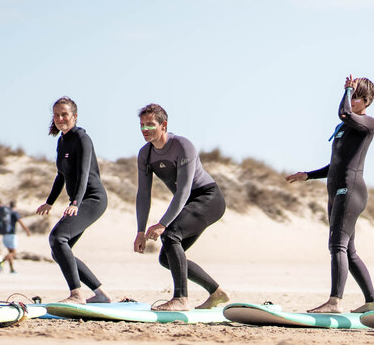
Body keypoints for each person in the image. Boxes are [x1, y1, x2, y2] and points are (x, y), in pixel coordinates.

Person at [286, 76, 374, 314]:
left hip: (350, 191)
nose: (351, 100)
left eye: (355, 96)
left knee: (336, 245)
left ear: (365, 100)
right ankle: (371, 303)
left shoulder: (367, 123)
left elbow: (345, 114)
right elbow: (336, 165)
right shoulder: (344, 129)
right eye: (351, 95)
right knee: (349, 251)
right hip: (336, 190)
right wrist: (307, 175)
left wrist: (346, 90)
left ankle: (334, 302)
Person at [133, 104, 230, 311]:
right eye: (142, 125)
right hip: (189, 203)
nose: (145, 130)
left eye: (150, 125)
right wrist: (140, 231)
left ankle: (181, 298)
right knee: (166, 258)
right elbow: (143, 194)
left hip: (208, 198)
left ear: (163, 125)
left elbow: (184, 190)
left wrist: (163, 224)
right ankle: (217, 292)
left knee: (170, 235)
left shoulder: (183, 146)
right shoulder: (145, 154)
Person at [36, 97, 113, 304]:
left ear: (74, 116)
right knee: (60, 250)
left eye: (64, 114)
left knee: (57, 238)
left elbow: (84, 173)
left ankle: (76, 294)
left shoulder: (82, 138)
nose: (60, 118)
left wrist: (75, 203)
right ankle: (101, 294)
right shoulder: (62, 140)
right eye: (56, 115)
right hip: (80, 200)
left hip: (93, 199)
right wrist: (50, 202)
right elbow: (61, 175)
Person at [0, 200, 31, 273]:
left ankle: (12, 269)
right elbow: (21, 222)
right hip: (11, 235)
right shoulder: (14, 213)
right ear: (15, 206)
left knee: (10, 252)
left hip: (5, 234)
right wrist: (27, 231)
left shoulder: (5, 213)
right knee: (14, 253)